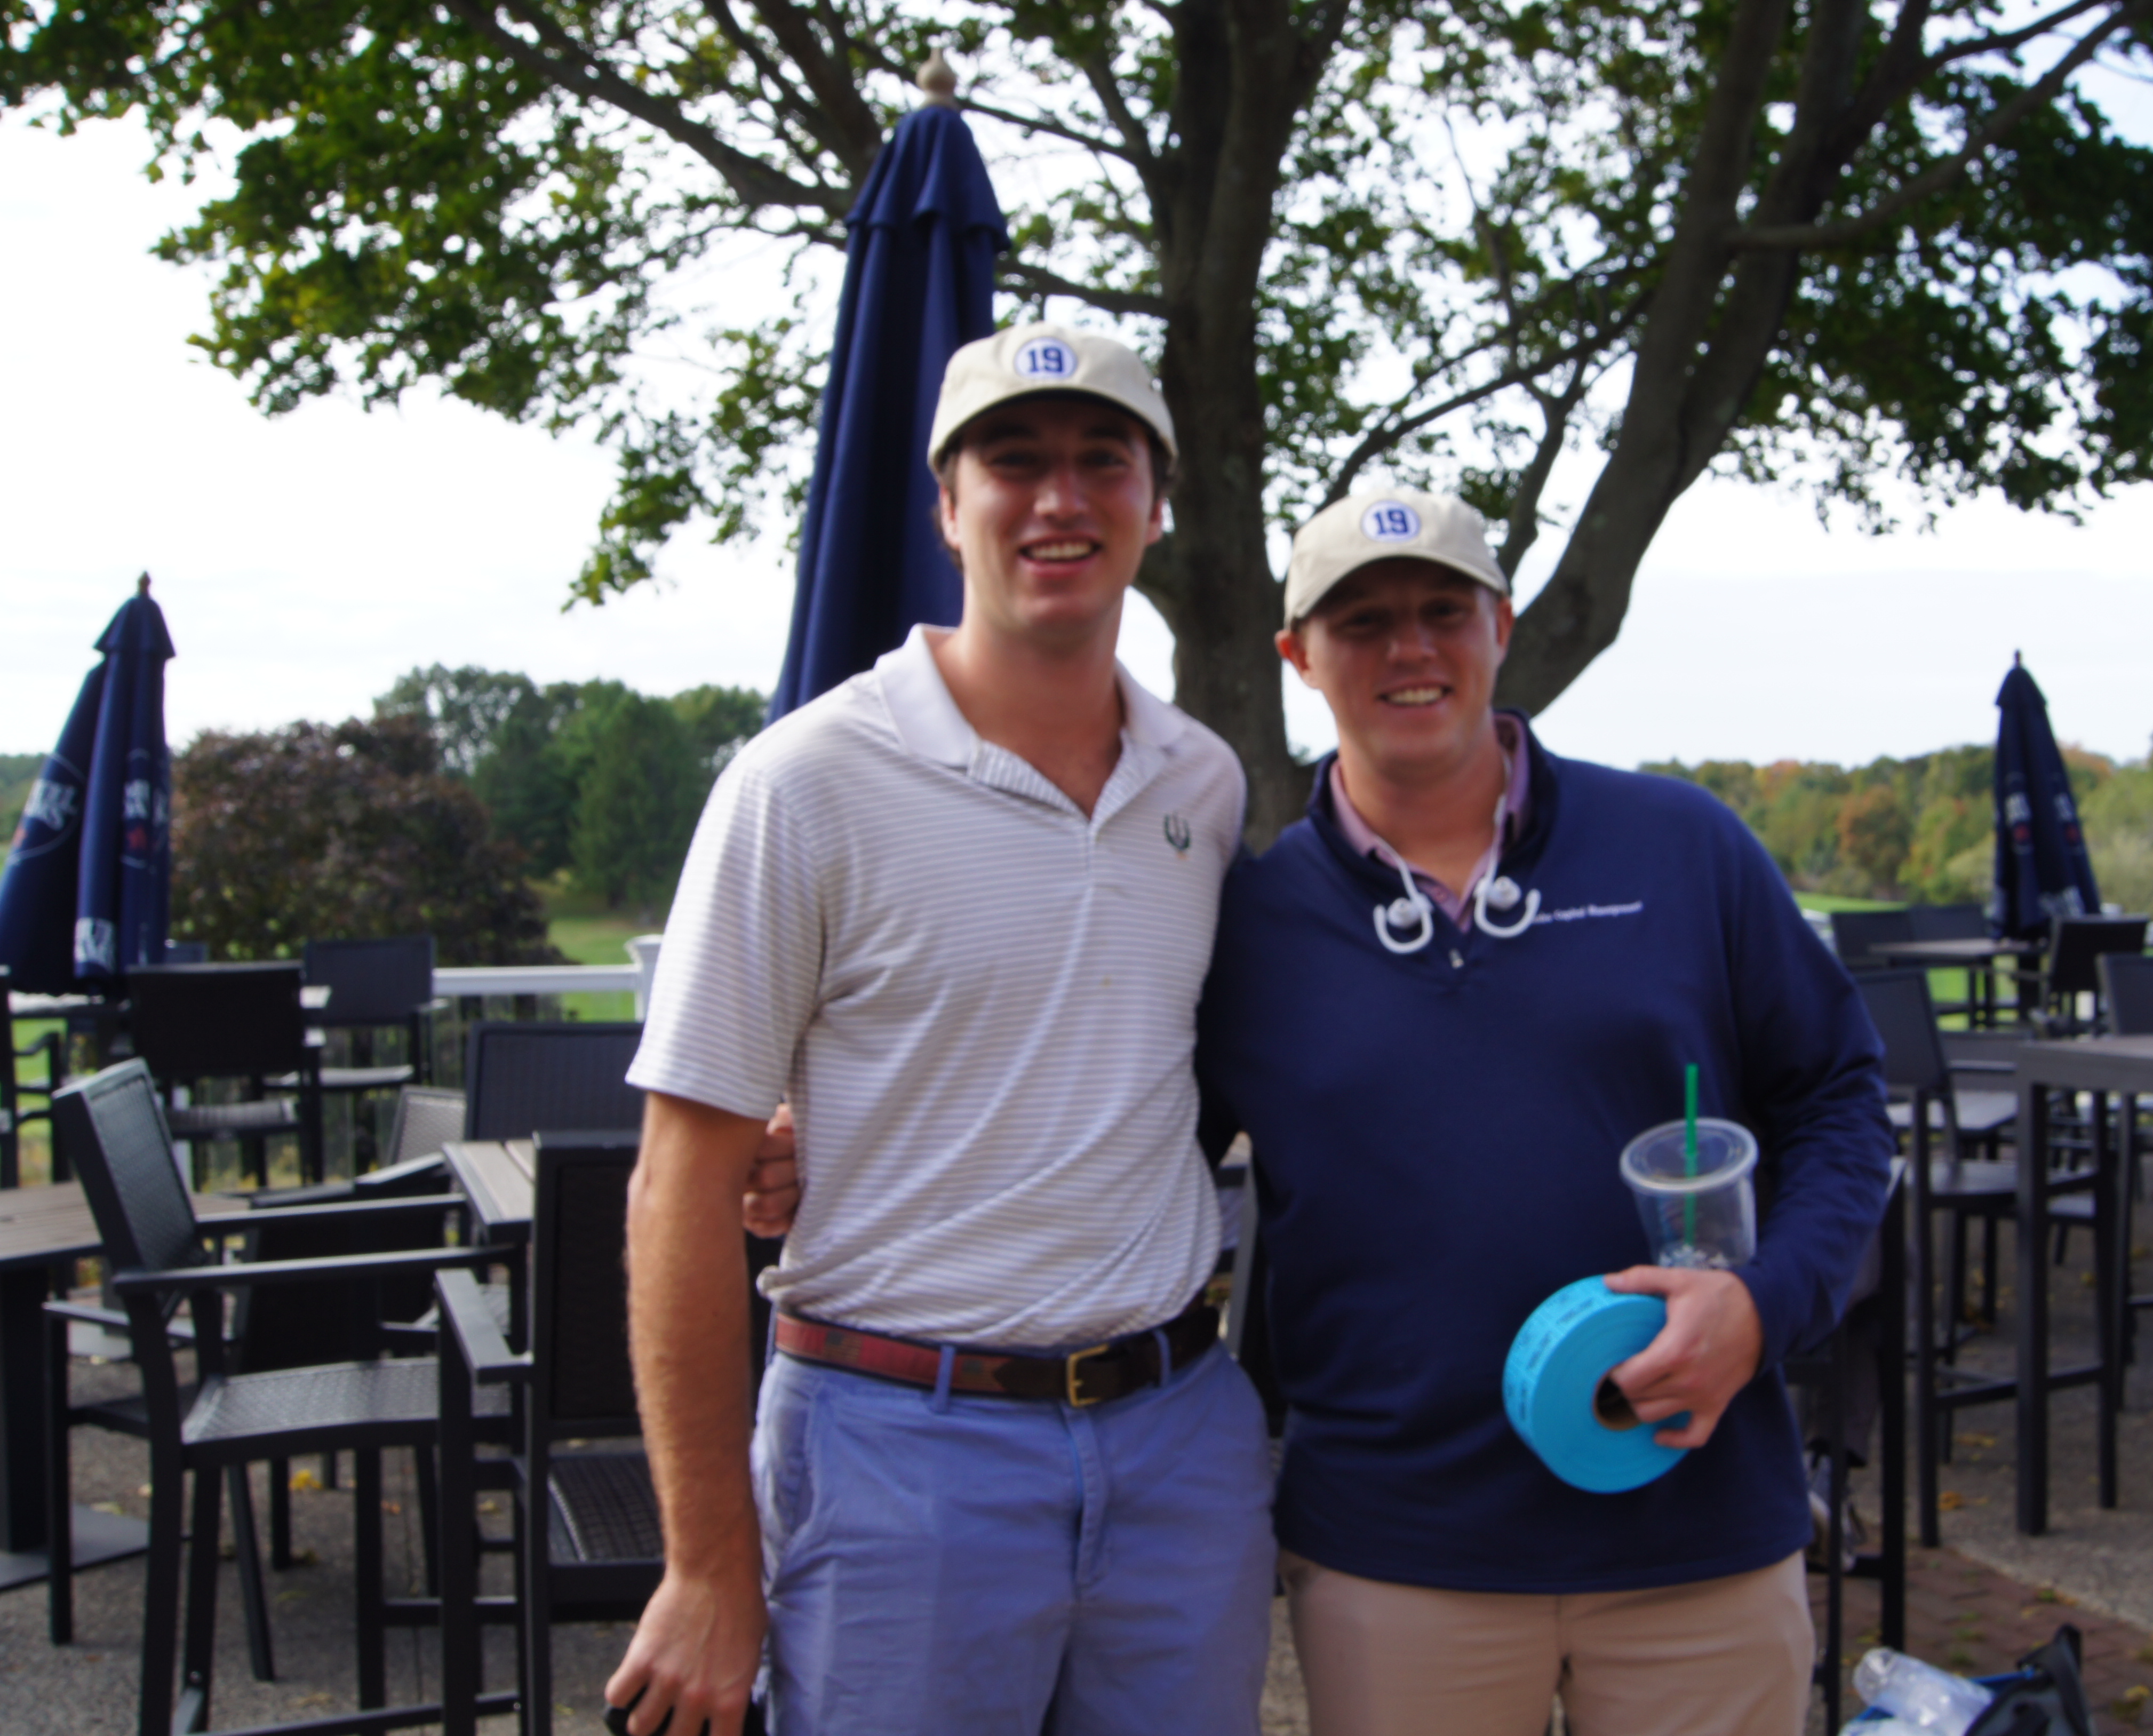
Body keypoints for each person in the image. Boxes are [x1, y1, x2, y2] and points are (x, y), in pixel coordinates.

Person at [610, 323, 1275, 1736]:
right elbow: (677, 1187)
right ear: (947, 507)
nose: (1059, 499)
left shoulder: (1202, 785)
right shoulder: (805, 782)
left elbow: (1154, 1069)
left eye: (1104, 461)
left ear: (1156, 507)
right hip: (895, 1453)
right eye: (1013, 461)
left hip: (1178, 1440)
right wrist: (708, 1563)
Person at [1194, 488, 1892, 1736]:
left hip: (1697, 1526)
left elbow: (1837, 1100)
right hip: (1398, 1555)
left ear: (1500, 626)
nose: (1409, 648)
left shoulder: (1682, 846)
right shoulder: (1246, 926)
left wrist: (1766, 1306)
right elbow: (1124, 1156)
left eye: (1442, 611)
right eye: (1362, 622)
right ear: (1297, 655)